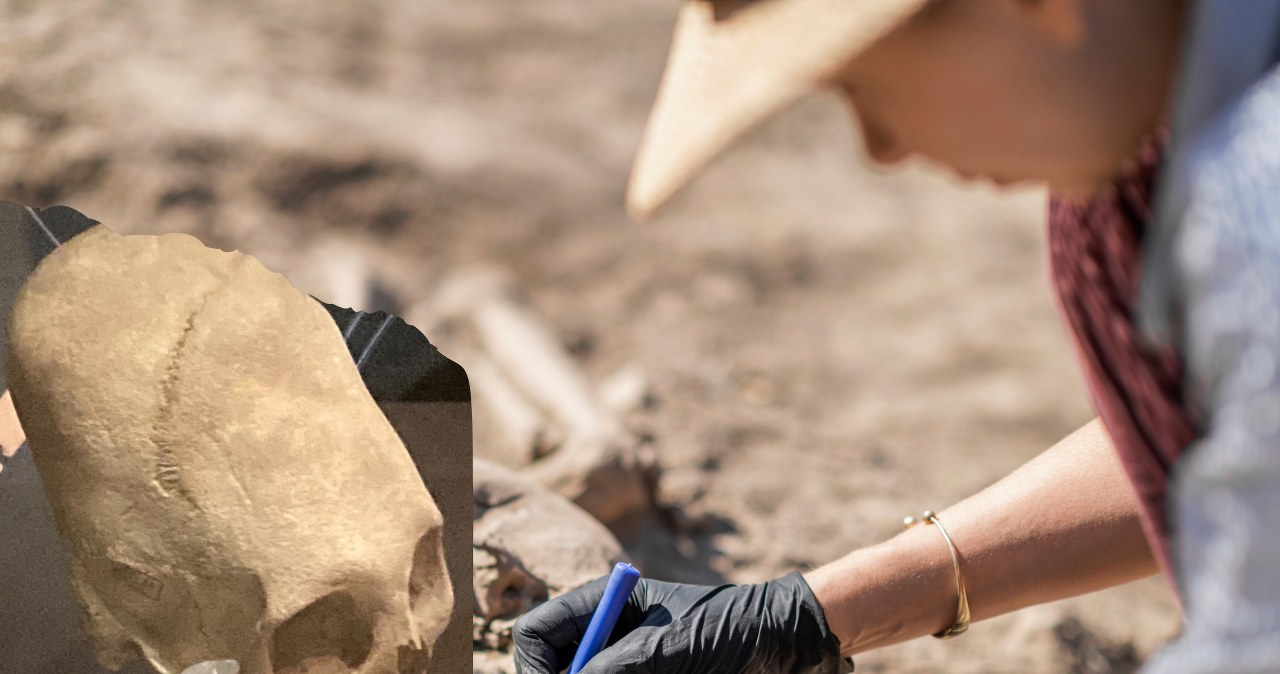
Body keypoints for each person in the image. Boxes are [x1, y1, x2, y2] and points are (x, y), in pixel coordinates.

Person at [513, 1, 1280, 672]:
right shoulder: (1141, 174)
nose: (881, 147)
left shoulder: (1252, 198)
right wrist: (810, 612)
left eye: (858, 83)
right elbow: (1239, 440)